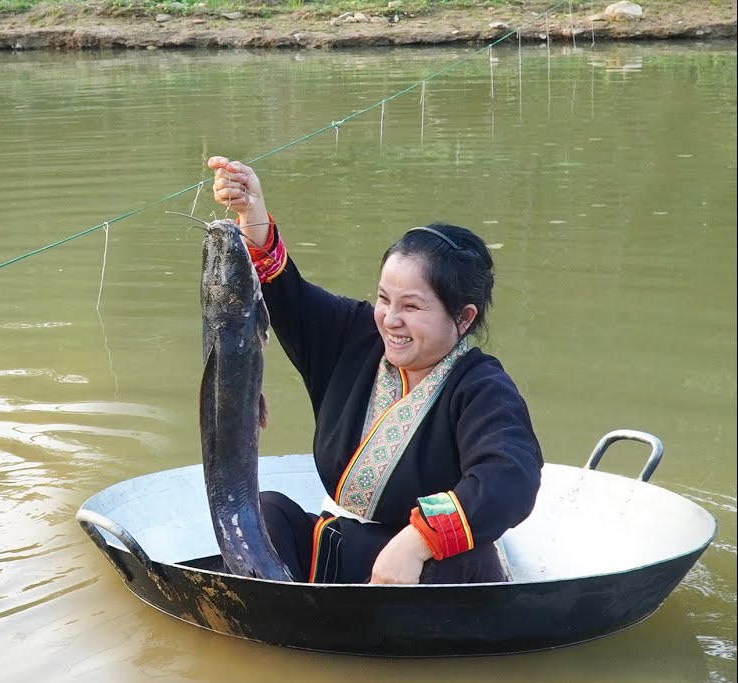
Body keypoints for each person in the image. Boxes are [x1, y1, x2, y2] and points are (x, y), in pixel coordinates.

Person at [208, 155, 543, 585]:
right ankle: (280, 613)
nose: (390, 319)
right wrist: (252, 218)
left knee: (465, 568)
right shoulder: (356, 335)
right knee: (266, 514)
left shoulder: (482, 388)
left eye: (412, 306)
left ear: (462, 319)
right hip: (347, 550)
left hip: (430, 568)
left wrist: (417, 541)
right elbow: (289, 294)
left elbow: (510, 477)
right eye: (385, 299)